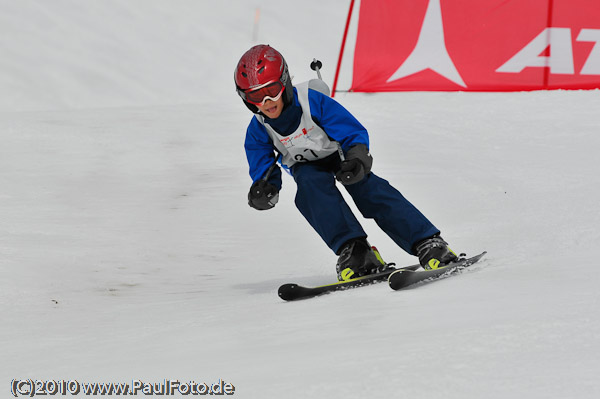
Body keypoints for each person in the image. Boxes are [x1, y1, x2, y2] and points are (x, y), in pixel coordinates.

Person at [235, 44, 458, 281]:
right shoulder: (259, 127)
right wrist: (265, 186)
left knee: (368, 188)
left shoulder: (312, 101)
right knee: (311, 190)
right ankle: (355, 251)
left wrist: (357, 157)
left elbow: (348, 129)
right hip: (306, 166)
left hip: (340, 155)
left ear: (285, 83)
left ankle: (427, 241)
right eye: (256, 96)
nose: (267, 102)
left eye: (272, 90)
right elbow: (261, 160)